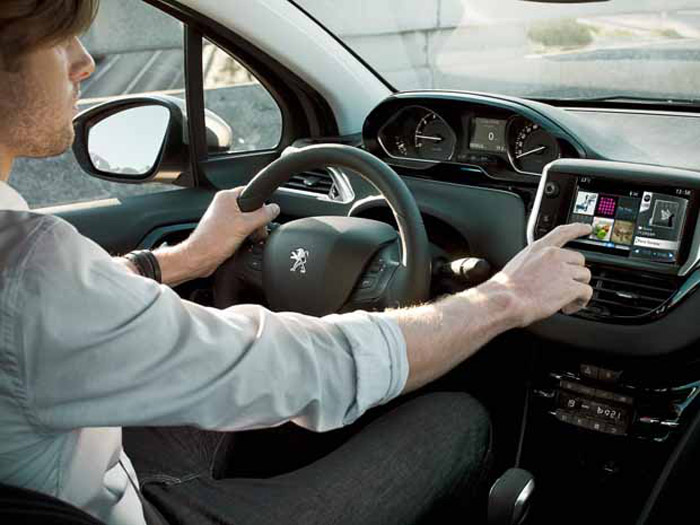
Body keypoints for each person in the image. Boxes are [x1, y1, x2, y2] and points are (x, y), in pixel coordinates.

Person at [0, 1, 593, 524]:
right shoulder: (32, 266)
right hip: (113, 510)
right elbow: (306, 367)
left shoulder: (34, 272)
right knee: (457, 422)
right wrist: (504, 298)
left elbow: (73, 313)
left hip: (82, 469)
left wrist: (183, 260)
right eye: (56, 41)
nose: (84, 63)